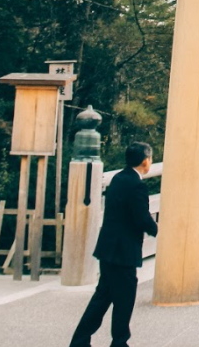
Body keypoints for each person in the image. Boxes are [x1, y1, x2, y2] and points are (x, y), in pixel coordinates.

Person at [69, 141, 159, 347]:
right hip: (123, 251)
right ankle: (119, 342)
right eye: (150, 158)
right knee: (125, 299)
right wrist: (158, 231)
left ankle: (80, 341)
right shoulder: (137, 185)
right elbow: (141, 217)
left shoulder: (118, 178)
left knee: (103, 297)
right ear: (145, 161)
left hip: (108, 248)